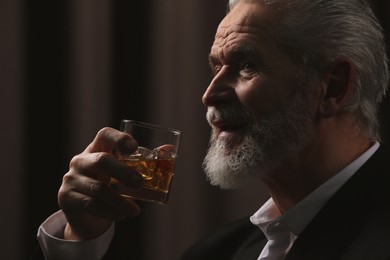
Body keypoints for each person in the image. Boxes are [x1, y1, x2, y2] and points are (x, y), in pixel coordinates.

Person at [33, 0, 390, 259]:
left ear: (332, 87)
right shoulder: (217, 251)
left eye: (247, 65)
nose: (209, 94)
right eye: (215, 67)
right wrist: (80, 237)